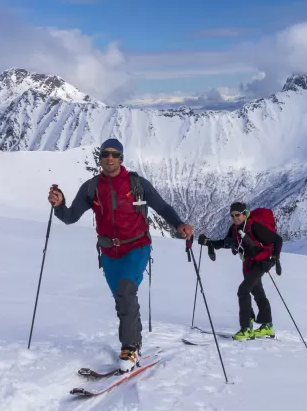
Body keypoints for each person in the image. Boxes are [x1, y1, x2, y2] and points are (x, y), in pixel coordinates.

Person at [47, 138, 192, 370]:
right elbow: (70, 217)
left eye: (115, 154)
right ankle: (135, 338)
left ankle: (130, 347)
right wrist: (59, 205)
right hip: (108, 252)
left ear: (121, 158)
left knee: (125, 292)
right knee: (122, 299)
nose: (110, 158)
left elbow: (162, 207)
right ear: (101, 158)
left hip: (137, 246)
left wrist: (179, 224)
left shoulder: (137, 183)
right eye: (106, 154)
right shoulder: (91, 187)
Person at [196, 202, 283, 340]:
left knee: (243, 290)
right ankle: (267, 325)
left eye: (238, 215)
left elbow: (277, 239)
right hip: (249, 262)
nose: (235, 218)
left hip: (262, 261)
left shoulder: (254, 226)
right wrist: (209, 242)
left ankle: (246, 328)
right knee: (256, 290)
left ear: (245, 214)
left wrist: (275, 256)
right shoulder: (234, 229)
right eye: (232, 215)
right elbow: (225, 242)